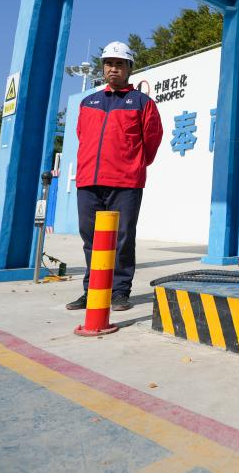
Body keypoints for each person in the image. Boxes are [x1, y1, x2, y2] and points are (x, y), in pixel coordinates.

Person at [66, 41, 162, 312]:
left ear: (129, 68)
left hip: (125, 182)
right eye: (109, 63)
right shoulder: (88, 102)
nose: (113, 69)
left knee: (122, 238)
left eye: (120, 64)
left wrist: (133, 164)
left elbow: (152, 139)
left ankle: (120, 292)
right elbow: (82, 136)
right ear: (103, 68)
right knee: (91, 238)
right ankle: (92, 290)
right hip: (89, 181)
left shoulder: (142, 102)